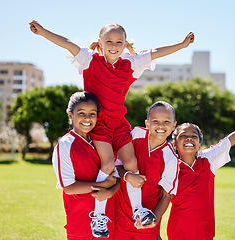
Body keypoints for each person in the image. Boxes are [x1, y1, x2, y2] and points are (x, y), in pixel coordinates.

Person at [29, 20, 194, 234]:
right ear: (101, 43)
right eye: (109, 41)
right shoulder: (90, 61)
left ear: (125, 44)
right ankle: (98, 215)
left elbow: (155, 52)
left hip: (119, 124)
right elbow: (67, 43)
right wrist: (42, 32)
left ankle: (138, 210)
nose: (114, 45)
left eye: (119, 42)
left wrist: (181, 45)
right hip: (101, 125)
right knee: (107, 165)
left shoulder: (131, 64)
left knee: (132, 163)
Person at [167, 109, 235, 240]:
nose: (189, 138)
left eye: (194, 136)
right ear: (175, 144)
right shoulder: (170, 167)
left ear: (199, 144)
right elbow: (160, 199)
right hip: (178, 231)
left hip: (204, 230)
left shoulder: (208, 159)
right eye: (183, 135)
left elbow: (229, 140)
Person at [51, 91, 120, 239]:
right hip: (80, 219)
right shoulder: (65, 145)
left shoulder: (102, 142)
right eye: (81, 113)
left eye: (92, 113)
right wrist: (102, 185)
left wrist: (110, 191)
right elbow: (69, 188)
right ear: (70, 115)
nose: (87, 118)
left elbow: (116, 177)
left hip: (107, 217)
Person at [114, 101, 180, 240]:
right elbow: (116, 166)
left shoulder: (171, 158)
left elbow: (166, 196)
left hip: (147, 220)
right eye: (155, 120)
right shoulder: (136, 134)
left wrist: (154, 221)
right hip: (120, 216)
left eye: (166, 121)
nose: (161, 125)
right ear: (147, 123)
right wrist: (128, 176)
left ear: (174, 125)